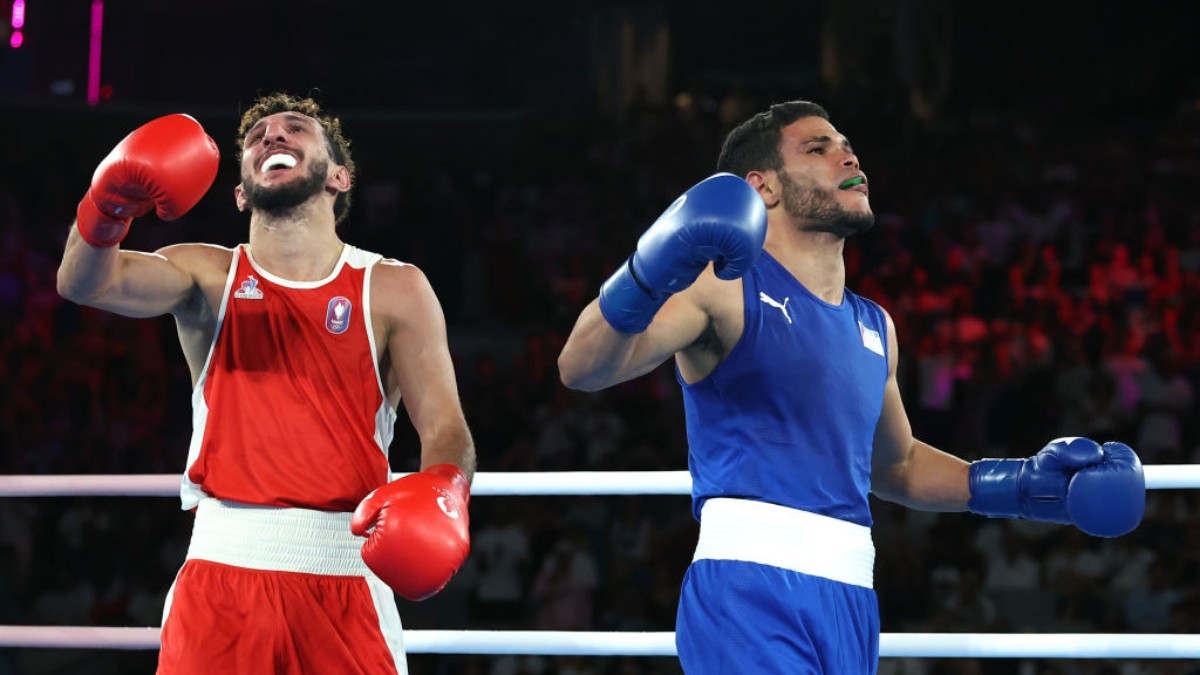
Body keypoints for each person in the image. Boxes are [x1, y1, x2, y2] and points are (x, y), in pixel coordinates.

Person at [556, 100, 1146, 674]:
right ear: (763, 187)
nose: (847, 156)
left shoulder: (875, 326)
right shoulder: (722, 285)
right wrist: (647, 269)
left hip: (850, 599)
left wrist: (1020, 486)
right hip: (748, 588)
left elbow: (898, 466)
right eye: (819, 148)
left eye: (846, 145)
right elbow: (581, 367)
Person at [57, 94, 475, 674]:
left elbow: (446, 428)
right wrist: (106, 204)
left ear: (339, 176)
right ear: (239, 193)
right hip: (220, 576)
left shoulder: (395, 287)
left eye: (295, 129)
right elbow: (85, 283)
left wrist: (446, 491)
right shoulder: (206, 275)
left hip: (345, 577)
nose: (271, 137)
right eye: (258, 136)